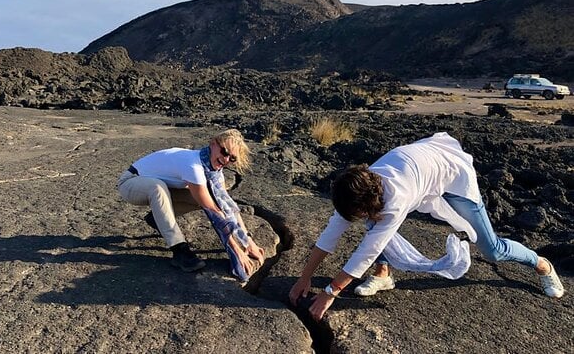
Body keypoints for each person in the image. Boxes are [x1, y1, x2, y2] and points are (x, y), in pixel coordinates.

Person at [289, 132, 565, 321]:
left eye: (359, 213)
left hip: (453, 175)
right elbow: (331, 233)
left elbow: (367, 250)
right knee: (374, 225)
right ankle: (383, 274)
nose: (356, 218)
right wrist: (305, 277)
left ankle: (541, 264)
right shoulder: (357, 188)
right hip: (423, 166)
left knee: (492, 249)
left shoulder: (395, 199)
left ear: (371, 202)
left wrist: (330, 292)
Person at [117, 129, 265, 280]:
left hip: (162, 186)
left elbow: (228, 208)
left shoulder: (214, 171)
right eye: (224, 151)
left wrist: (247, 242)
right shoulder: (193, 166)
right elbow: (215, 214)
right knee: (158, 188)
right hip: (131, 183)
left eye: (232, 158)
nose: (226, 159)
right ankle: (179, 250)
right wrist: (237, 251)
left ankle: (157, 219)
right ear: (213, 143)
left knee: (213, 199)